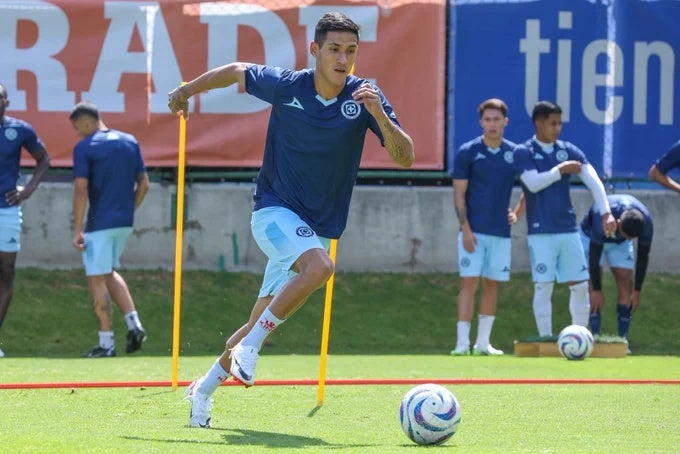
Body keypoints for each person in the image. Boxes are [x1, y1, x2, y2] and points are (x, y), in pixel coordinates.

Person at [168, 12, 414, 428]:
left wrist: (381, 116)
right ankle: (253, 348)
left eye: (350, 51)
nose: (343, 59)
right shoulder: (287, 85)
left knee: (254, 323)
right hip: (273, 211)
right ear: (315, 51)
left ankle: (203, 395)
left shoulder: (365, 95)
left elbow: (404, 156)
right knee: (321, 267)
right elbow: (234, 71)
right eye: (334, 49)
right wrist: (185, 90)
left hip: (311, 229)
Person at [512, 101, 616, 337]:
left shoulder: (568, 150)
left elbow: (593, 180)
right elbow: (532, 183)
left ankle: (579, 336)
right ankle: (546, 337)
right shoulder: (524, 152)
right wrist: (560, 170)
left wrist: (606, 212)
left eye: (560, 123)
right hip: (540, 232)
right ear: (538, 123)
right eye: (552, 123)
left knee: (579, 285)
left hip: (568, 229)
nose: (557, 128)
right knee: (543, 285)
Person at [70, 102, 150, 358]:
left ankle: (106, 344)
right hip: (124, 222)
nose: (77, 133)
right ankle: (134, 324)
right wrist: (129, 209)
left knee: (95, 278)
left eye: (77, 127)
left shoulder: (85, 147)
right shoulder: (130, 141)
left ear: (86, 122)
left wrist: (77, 228)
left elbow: (81, 189)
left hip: (98, 223)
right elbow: (144, 184)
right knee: (108, 273)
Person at [450, 98, 519, 356]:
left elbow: (532, 185)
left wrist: (517, 212)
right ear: (481, 122)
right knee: (469, 283)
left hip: (501, 233)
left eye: (497, 120)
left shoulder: (515, 153)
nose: (492, 124)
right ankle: (461, 344)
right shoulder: (468, 152)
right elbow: (458, 193)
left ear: (505, 122)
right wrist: (465, 229)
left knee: (492, 284)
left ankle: (483, 344)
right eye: (488, 120)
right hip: (473, 232)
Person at [0, 83, 51, 358]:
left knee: (6, 272)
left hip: (6, 210)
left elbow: (44, 159)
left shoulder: (19, 130)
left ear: (6, 101)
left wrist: (27, 190)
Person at [580, 194, 653, 353]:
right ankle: (595, 338)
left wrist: (638, 290)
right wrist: (598, 290)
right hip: (591, 238)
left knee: (626, 282)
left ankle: (622, 341)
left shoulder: (646, 223)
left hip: (619, 245)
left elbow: (643, 256)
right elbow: (594, 256)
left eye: (631, 238)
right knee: (592, 285)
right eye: (625, 234)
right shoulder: (603, 216)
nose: (627, 238)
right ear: (618, 222)